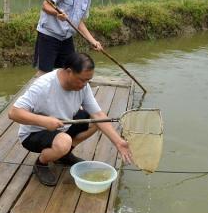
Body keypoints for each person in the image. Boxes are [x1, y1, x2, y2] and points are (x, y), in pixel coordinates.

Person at [9, 52, 133, 186]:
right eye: (82, 80)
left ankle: (63, 155)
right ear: (69, 71)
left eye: (88, 80)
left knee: (97, 122)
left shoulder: (83, 87)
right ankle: (41, 164)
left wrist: (118, 142)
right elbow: (13, 113)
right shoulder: (43, 85)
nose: (85, 85)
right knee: (64, 142)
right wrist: (44, 121)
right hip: (34, 133)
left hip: (62, 126)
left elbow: (98, 115)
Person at [33, 0, 106, 76]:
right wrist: (57, 13)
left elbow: (79, 22)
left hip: (66, 38)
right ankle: (40, 93)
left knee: (70, 69)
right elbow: (46, 6)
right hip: (49, 35)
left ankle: (62, 93)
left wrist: (93, 41)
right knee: (44, 72)